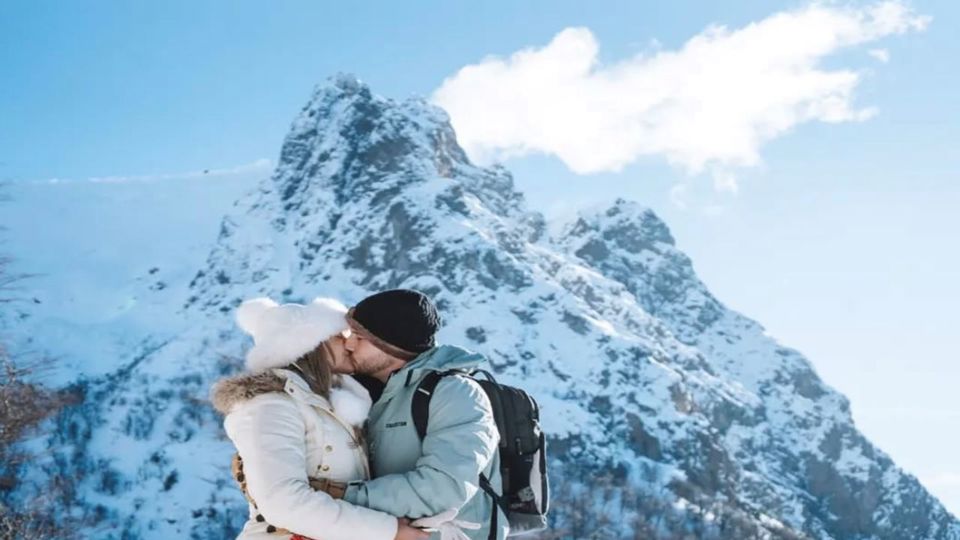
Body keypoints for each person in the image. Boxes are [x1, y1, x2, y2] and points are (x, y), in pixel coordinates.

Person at [210, 296, 429, 540]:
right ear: (310, 345)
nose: (349, 344)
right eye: (338, 336)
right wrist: (389, 531)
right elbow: (283, 500)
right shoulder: (269, 405)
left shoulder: (327, 403)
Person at [317, 289, 508, 540]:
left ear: (392, 345)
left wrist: (340, 496)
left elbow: (442, 489)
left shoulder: (456, 395)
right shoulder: (365, 393)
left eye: (360, 337)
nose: (349, 344)